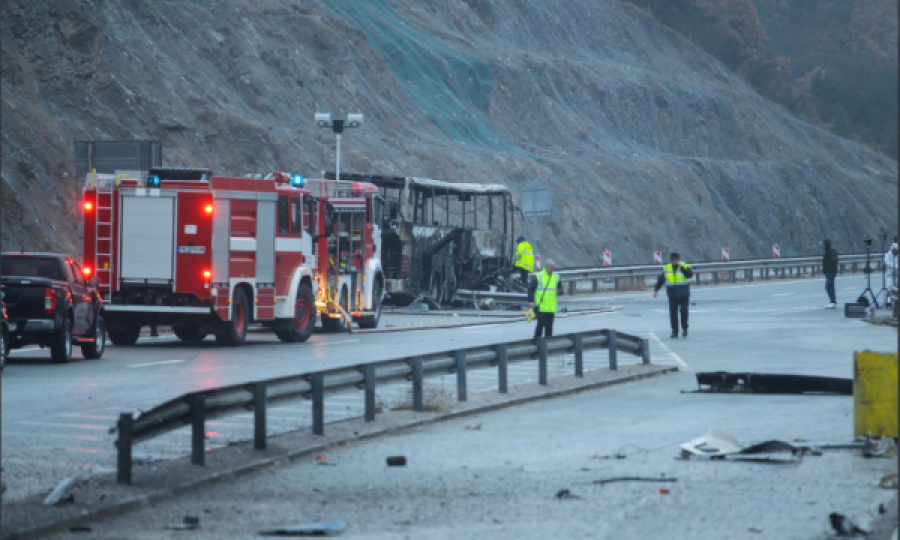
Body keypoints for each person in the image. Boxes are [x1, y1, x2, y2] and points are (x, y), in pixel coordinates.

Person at [653, 252, 694, 338]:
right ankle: (675, 331)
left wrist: (681, 267)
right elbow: (661, 280)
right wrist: (656, 290)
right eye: (673, 260)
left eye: (676, 260)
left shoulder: (684, 266)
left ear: (679, 260)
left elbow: (690, 275)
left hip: (684, 294)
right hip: (672, 294)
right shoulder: (667, 268)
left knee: (684, 311)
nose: (674, 261)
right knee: (673, 314)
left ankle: (685, 329)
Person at [528, 259, 564, 339]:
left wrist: (560, 291)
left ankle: (548, 343)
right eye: (551, 268)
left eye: (553, 268)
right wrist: (531, 301)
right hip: (541, 306)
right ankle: (537, 340)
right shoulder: (538, 276)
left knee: (549, 326)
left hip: (551, 307)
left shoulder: (556, 276)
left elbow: (560, 289)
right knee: (540, 324)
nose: (552, 269)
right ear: (546, 267)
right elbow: (531, 289)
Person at [822, 238, 838, 309]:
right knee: (830, 286)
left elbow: (832, 261)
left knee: (828, 286)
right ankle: (833, 301)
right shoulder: (828, 251)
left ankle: (833, 302)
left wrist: (828, 269)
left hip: (831, 272)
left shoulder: (831, 251)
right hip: (830, 271)